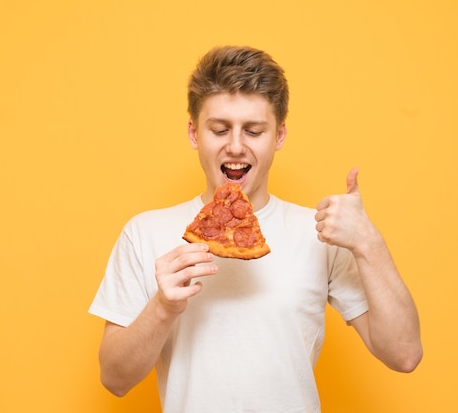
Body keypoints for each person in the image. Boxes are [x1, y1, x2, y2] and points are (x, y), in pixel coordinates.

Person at [89, 45, 422, 412]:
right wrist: (164, 307)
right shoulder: (144, 233)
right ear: (194, 133)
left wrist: (368, 242)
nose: (235, 146)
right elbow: (114, 379)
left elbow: (404, 355)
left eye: (253, 130)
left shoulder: (320, 234)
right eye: (219, 129)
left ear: (278, 136)